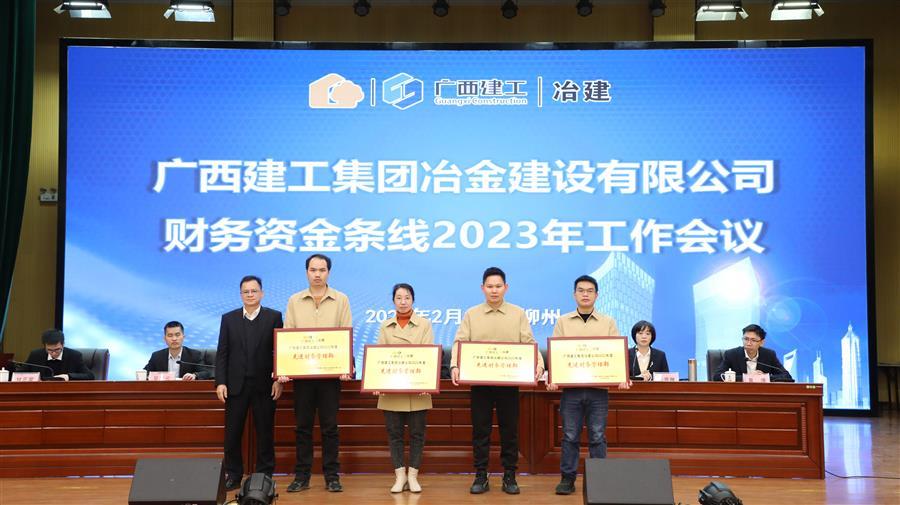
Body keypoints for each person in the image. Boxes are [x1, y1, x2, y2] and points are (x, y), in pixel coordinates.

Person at [450, 267, 544, 495]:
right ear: (482, 288)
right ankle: (481, 475)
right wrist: (454, 365)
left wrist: (539, 364)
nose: (494, 290)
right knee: (480, 430)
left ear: (506, 288)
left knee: (509, 430)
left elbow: (529, 343)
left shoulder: (518, 313)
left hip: (508, 383)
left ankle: (509, 475)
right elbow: (459, 342)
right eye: (490, 286)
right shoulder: (472, 314)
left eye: (498, 286)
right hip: (479, 383)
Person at [547, 274, 630, 495]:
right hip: (571, 392)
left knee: (597, 436)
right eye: (581, 290)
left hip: (598, 392)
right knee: (570, 436)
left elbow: (616, 354)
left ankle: (600, 480)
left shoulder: (608, 322)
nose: (585, 294)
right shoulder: (563, 321)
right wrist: (553, 377)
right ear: (574, 294)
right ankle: (567, 479)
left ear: (597, 295)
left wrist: (622, 376)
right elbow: (556, 354)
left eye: (590, 291)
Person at [284, 254, 353, 493]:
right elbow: (288, 336)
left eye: (322, 270)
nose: (317, 274)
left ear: (328, 273)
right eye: (313, 270)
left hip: (330, 377)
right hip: (302, 376)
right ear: (307, 272)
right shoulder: (294, 300)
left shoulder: (341, 299)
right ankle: (301, 476)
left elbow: (346, 334)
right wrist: (284, 368)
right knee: (302, 427)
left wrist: (346, 366)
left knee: (330, 428)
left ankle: (332, 476)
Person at [215, 275, 284, 491]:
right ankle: (234, 474)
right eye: (246, 292)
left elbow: (279, 351)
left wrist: (278, 379)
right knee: (232, 434)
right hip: (235, 386)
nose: (250, 295)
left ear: (262, 293)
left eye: (254, 291)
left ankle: (264, 476)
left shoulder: (274, 317)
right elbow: (222, 353)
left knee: (265, 433)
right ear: (240, 295)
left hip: (265, 385)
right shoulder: (229, 319)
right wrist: (220, 382)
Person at [374, 283, 434, 494]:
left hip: (418, 389)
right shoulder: (385, 326)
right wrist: (377, 382)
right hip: (392, 390)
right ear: (393, 301)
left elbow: (428, 355)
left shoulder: (425, 324)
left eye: (407, 297)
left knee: (417, 434)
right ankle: (400, 476)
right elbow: (379, 357)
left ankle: (413, 476)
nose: (403, 302)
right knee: (394, 434)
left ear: (413, 300)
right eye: (398, 298)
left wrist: (428, 382)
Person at [712, 324, 793, 382]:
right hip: (739, 394)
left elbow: (787, 377)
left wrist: (764, 378)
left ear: (762, 342)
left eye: (753, 340)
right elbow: (717, 377)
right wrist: (747, 377)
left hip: (762, 394)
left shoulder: (769, 355)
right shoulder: (731, 354)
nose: (748, 343)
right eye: (746, 339)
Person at [144, 321, 213, 380]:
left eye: (177, 335)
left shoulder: (194, 355)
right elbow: (146, 373)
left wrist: (194, 375)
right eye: (170, 335)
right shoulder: (157, 356)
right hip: (163, 390)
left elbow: (206, 373)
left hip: (185, 389)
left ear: (183, 337)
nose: (174, 339)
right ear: (165, 339)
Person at [23, 329, 93, 381]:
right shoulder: (36, 355)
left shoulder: (74, 356)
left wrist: (68, 376)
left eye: (57, 349)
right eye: (49, 350)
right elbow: (20, 373)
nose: (53, 353)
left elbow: (90, 376)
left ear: (63, 344)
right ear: (44, 346)